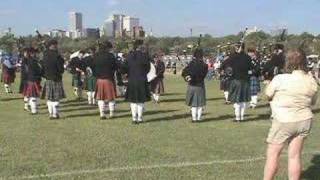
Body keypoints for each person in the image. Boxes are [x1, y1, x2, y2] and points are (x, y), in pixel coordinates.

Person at [263, 49, 318, 180]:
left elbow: (267, 95)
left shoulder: (280, 78)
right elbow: (313, 102)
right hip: (304, 120)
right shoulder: (311, 80)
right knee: (295, 156)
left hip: (284, 119)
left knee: (273, 155)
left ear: (287, 62)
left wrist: (268, 83)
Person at [124, 40, 151, 124]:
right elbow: (148, 68)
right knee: (140, 100)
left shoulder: (128, 56)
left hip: (131, 80)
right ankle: (139, 118)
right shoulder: (144, 56)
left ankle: (134, 118)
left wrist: (128, 74)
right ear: (140, 46)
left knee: (133, 101)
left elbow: (124, 68)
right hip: (142, 79)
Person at [41, 40, 66, 119]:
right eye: (56, 45)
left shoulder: (45, 54)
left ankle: (51, 114)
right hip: (56, 78)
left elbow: (42, 66)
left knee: (49, 98)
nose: (57, 46)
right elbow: (61, 69)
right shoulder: (57, 55)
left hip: (47, 78)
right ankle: (55, 114)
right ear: (53, 45)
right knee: (55, 98)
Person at [228, 42, 253, 122]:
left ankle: (238, 118)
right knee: (243, 101)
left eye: (237, 47)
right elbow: (251, 70)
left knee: (238, 101)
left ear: (241, 47)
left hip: (237, 80)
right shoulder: (248, 57)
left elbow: (226, 64)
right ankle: (241, 117)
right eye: (235, 47)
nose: (235, 48)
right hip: (245, 81)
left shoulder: (233, 57)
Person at [182, 48, 208, 122]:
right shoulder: (205, 65)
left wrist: (187, 77)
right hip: (200, 86)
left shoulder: (191, 64)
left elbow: (184, 72)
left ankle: (194, 119)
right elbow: (203, 75)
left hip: (192, 85)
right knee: (200, 104)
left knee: (193, 104)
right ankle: (199, 118)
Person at [93, 41, 117, 119]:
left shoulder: (96, 56)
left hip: (99, 79)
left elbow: (93, 67)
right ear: (107, 48)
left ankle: (102, 114)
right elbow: (115, 66)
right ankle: (111, 114)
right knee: (111, 98)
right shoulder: (111, 56)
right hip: (109, 79)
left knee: (100, 98)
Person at [22, 48, 43, 115]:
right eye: (35, 53)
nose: (37, 54)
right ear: (32, 53)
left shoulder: (30, 60)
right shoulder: (33, 61)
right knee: (33, 95)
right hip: (33, 79)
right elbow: (38, 71)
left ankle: (33, 108)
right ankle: (34, 111)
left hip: (31, 79)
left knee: (33, 95)